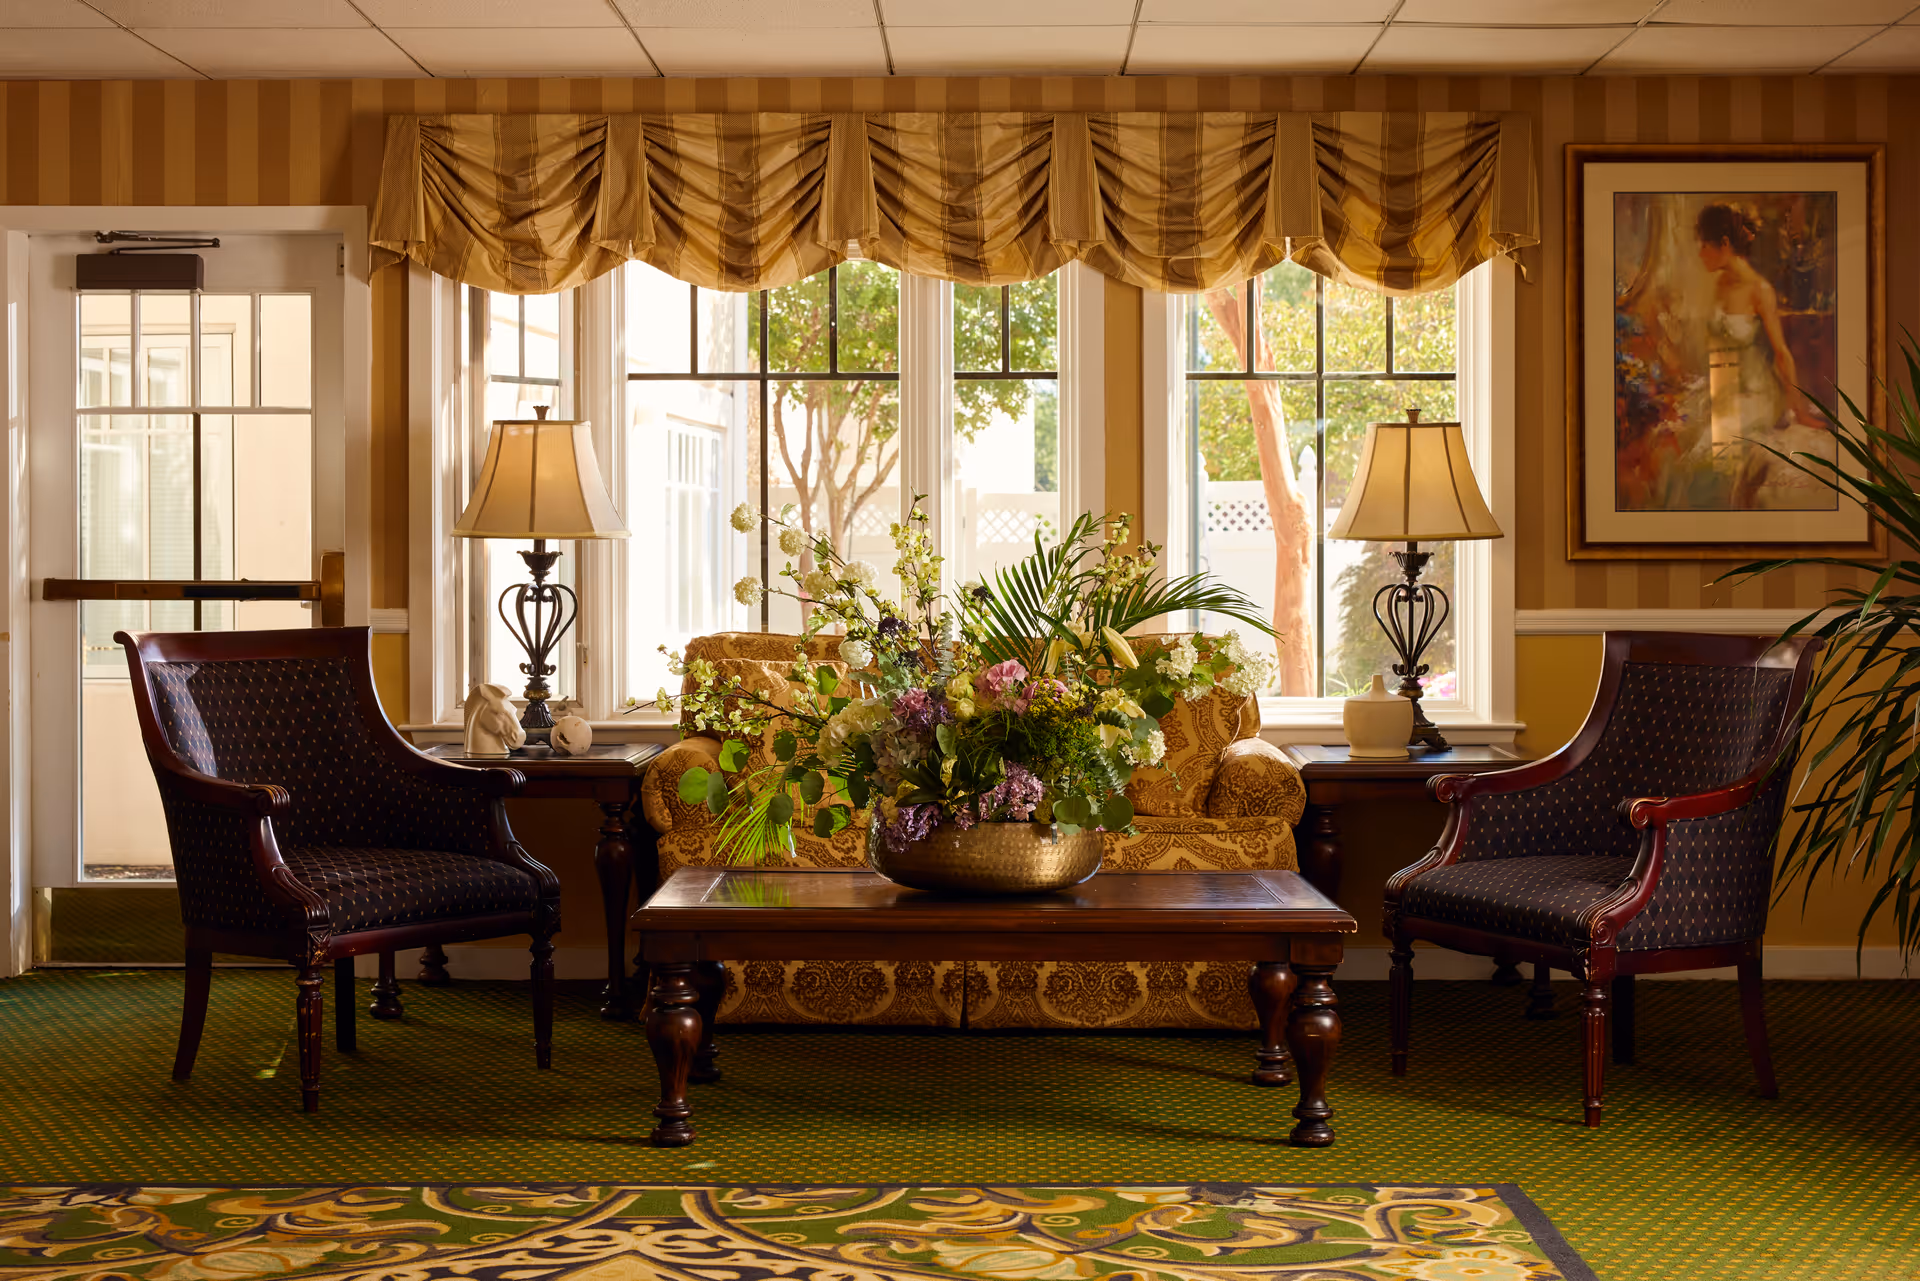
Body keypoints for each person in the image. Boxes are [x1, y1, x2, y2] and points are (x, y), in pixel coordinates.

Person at [1694, 202, 1826, 508]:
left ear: (1724, 244)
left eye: (1704, 244)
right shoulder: (1719, 285)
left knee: (1718, 459)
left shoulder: (1759, 290)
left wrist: (1800, 409)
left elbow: (1781, 353)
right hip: (1722, 387)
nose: (1700, 253)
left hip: (1754, 395)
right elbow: (1716, 346)